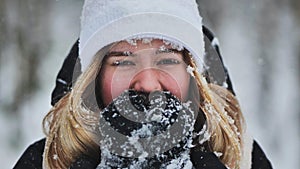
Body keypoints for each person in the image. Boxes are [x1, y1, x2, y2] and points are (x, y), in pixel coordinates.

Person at [14, 0, 273, 168]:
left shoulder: (244, 160)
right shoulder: (45, 161)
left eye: (167, 61)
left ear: (193, 75)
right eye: (123, 63)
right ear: (95, 78)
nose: (148, 84)